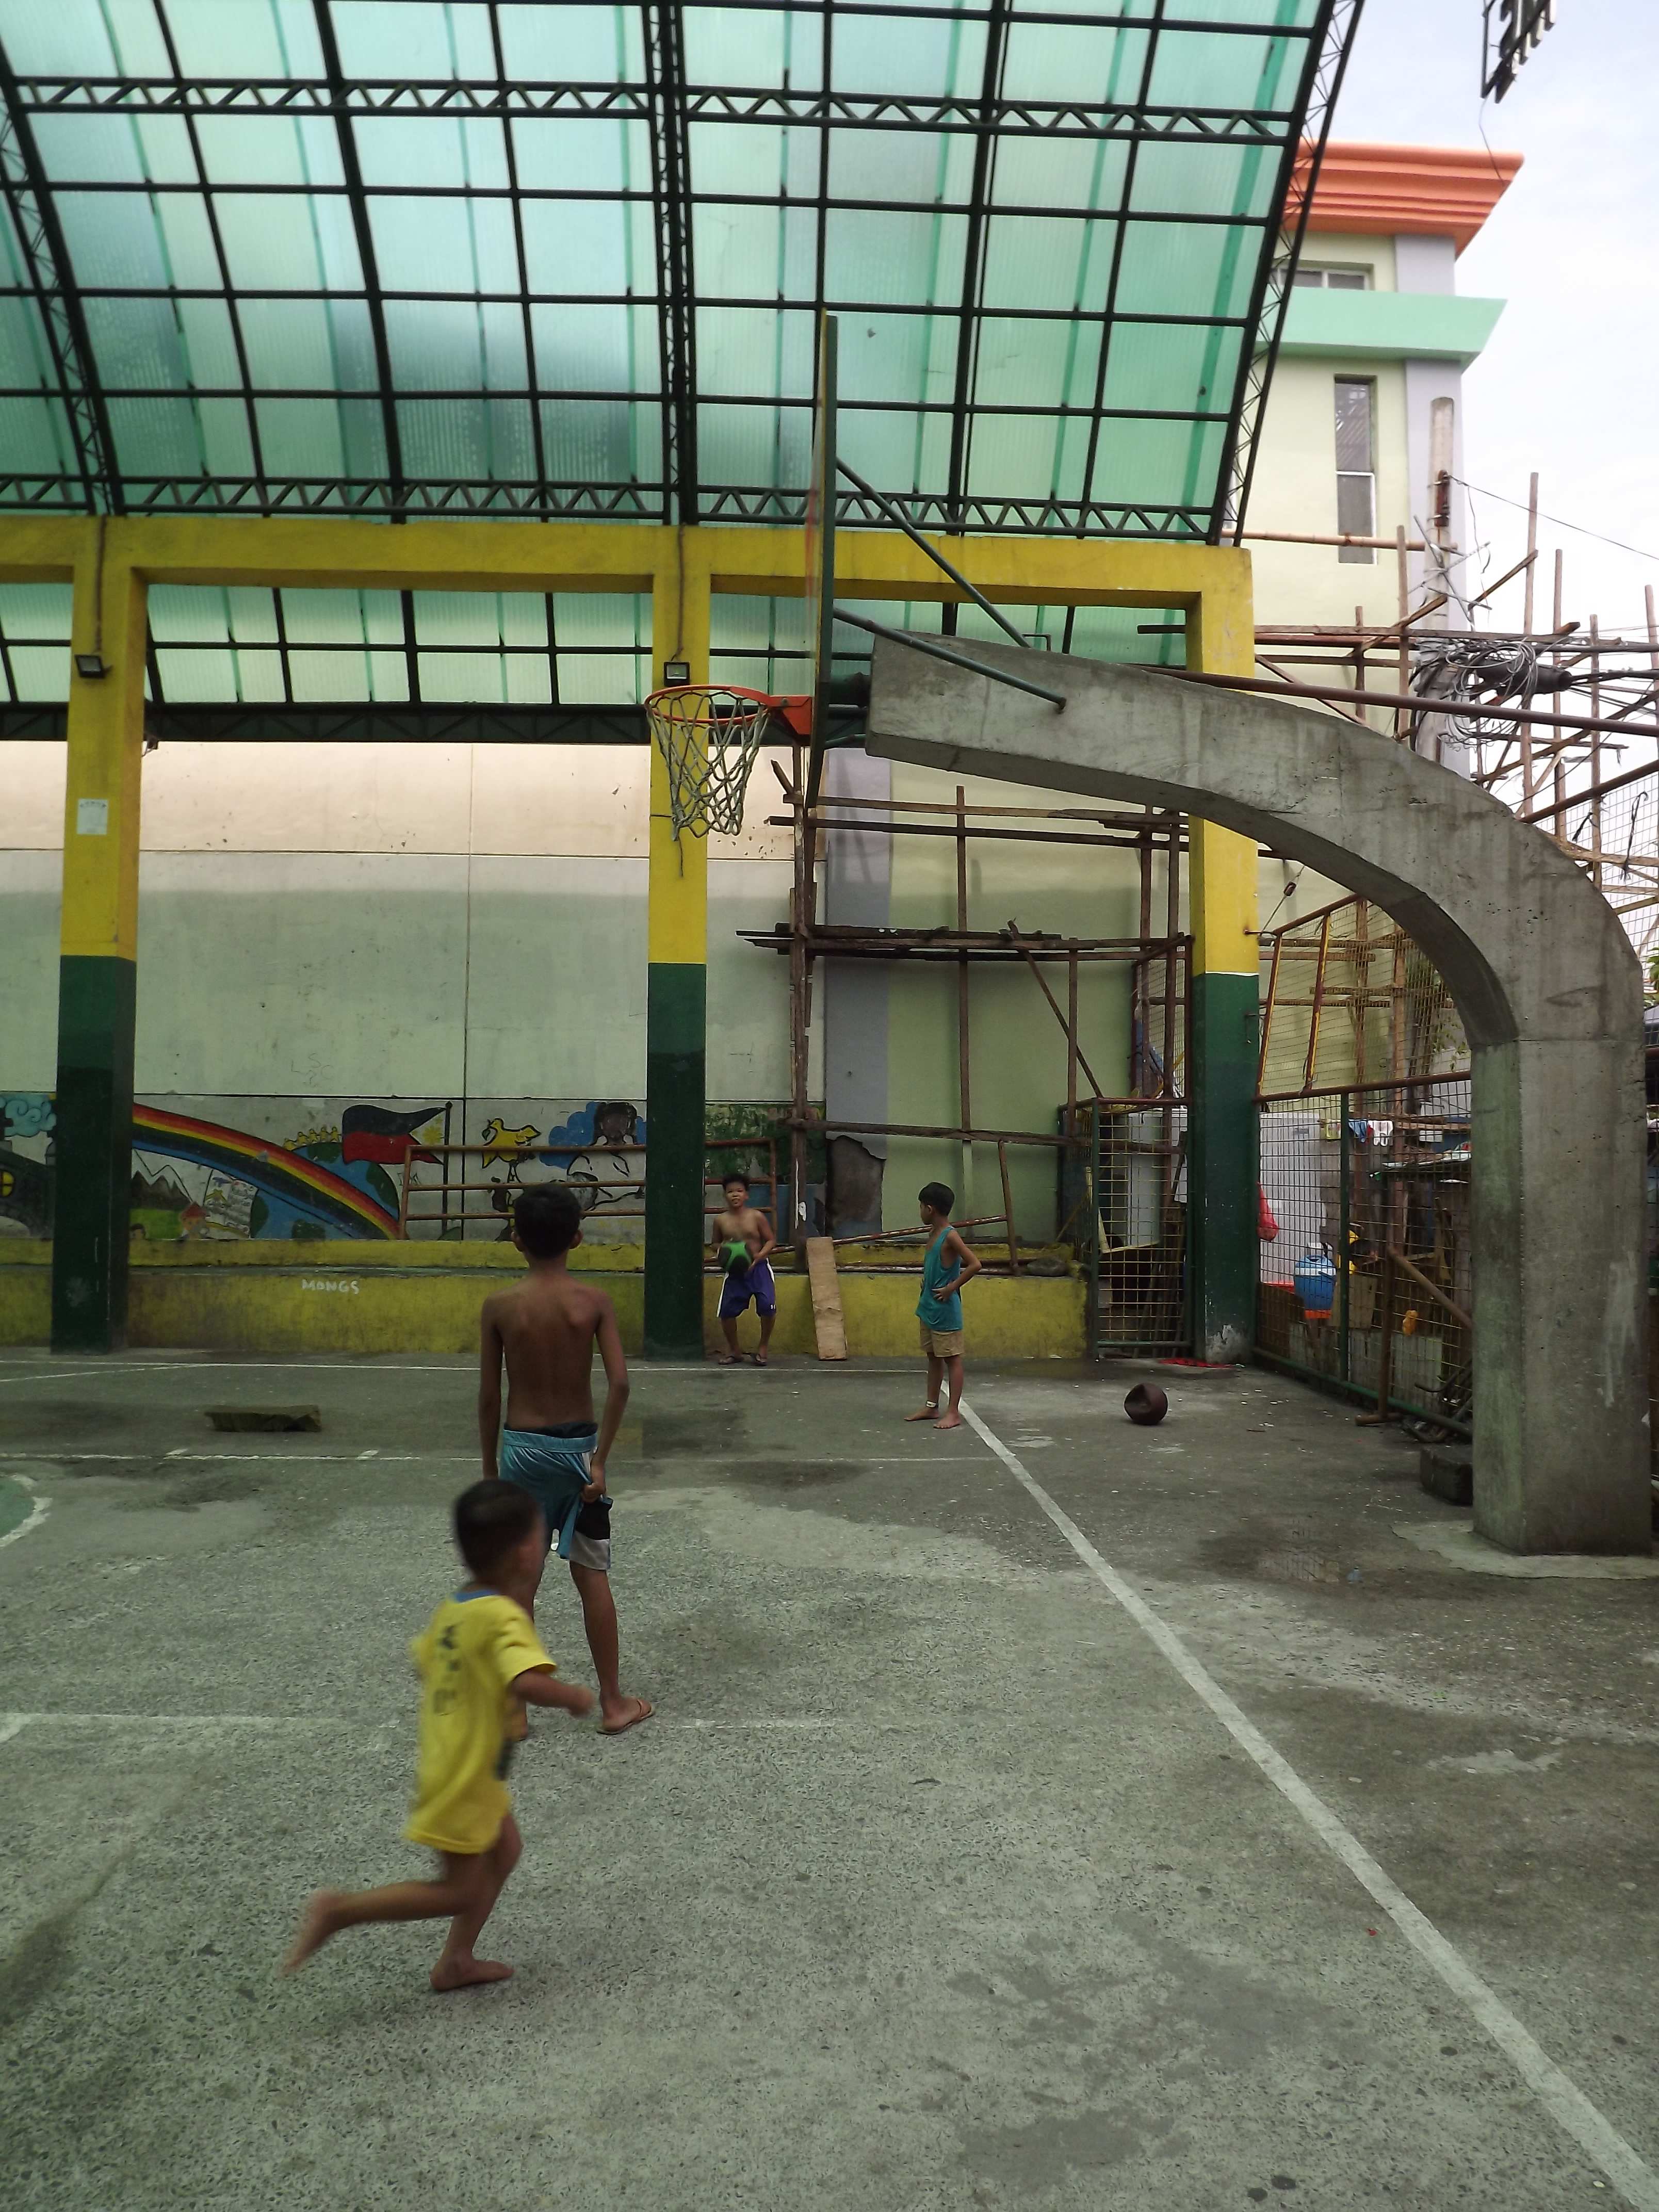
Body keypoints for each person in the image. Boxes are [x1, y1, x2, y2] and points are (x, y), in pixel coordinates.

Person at [283, 1479, 594, 1988]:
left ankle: (456, 1960)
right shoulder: (503, 1615)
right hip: (464, 1776)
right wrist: (574, 1697)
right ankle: (341, 1910)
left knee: (506, 1849)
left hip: (461, 1764)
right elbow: (524, 1678)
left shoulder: (457, 1607)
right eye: (541, 1536)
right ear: (524, 1553)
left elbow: (425, 1661)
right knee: (460, 1890)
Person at [480, 1184, 653, 1735]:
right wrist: (599, 1459)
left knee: (518, 1584)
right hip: (579, 1453)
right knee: (592, 1575)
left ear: (516, 1240)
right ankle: (612, 1702)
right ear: (577, 1237)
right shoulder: (594, 1302)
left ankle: (515, 1710)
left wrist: (491, 1471)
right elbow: (621, 1383)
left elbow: (488, 1396)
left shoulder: (500, 1307)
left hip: (522, 1452)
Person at [906, 1181, 981, 1432]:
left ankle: (953, 1412)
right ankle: (931, 1405)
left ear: (930, 1209)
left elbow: (974, 1264)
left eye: (921, 1207)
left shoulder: (950, 1235)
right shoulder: (933, 1234)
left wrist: (952, 1287)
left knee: (952, 1359)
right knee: (933, 1357)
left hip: (945, 1310)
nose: (919, 1211)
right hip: (929, 1308)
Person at [710, 1172, 777, 1368]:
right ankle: (735, 1351)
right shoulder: (720, 1221)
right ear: (725, 1195)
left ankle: (763, 1348)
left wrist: (760, 1256)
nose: (735, 1195)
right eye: (730, 1192)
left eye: (739, 1191)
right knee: (727, 1313)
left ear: (747, 1194)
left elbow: (771, 1240)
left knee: (767, 1307)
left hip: (759, 1269)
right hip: (735, 1271)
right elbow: (715, 1243)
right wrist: (723, 1250)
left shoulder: (756, 1216)